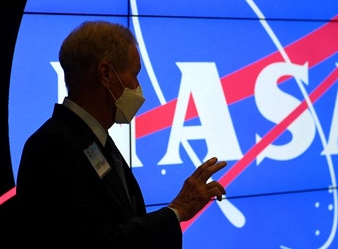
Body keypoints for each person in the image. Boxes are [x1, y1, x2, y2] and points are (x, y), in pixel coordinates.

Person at [15, 20, 228, 248]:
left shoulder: (94, 139)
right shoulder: (51, 147)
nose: (138, 87)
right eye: (135, 75)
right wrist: (176, 211)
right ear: (105, 74)